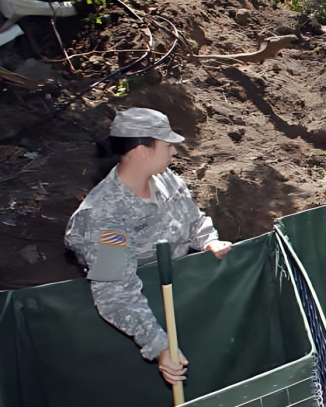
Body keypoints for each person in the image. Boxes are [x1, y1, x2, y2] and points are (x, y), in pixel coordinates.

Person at [65, 108, 232, 384]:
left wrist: (208, 240)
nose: (174, 152)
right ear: (142, 150)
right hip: (136, 316)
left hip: (172, 295)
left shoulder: (165, 179)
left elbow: (192, 219)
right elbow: (115, 294)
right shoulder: (105, 217)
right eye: (167, 146)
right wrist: (160, 347)